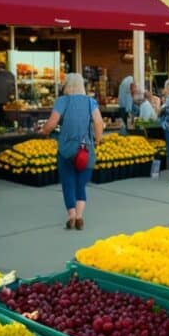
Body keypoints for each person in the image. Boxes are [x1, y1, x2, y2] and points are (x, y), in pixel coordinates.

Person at [39, 73, 104, 229]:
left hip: (66, 149)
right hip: (85, 150)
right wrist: (97, 140)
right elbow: (99, 122)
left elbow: (52, 123)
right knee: (81, 185)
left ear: (66, 86)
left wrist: (44, 132)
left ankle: (72, 216)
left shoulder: (62, 101)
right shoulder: (91, 102)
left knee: (68, 183)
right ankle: (80, 217)